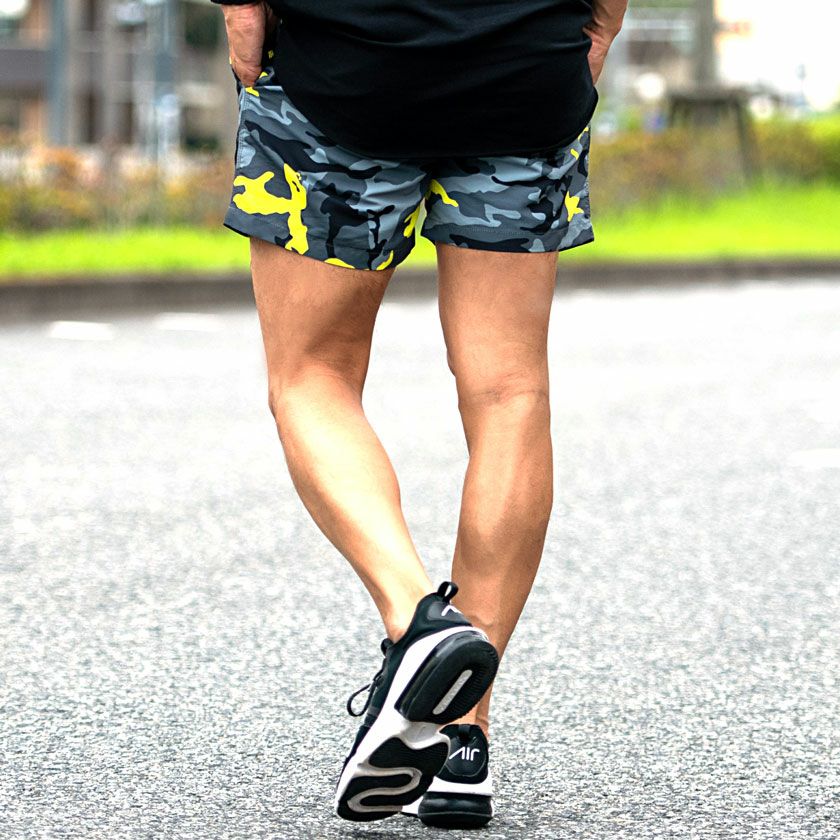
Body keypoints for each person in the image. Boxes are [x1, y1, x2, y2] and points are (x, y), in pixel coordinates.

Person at [211, 0, 627, 827]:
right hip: (528, 67)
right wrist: (603, 22)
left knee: (311, 376)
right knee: (510, 392)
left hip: (343, 66)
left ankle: (419, 624)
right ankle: (461, 735)